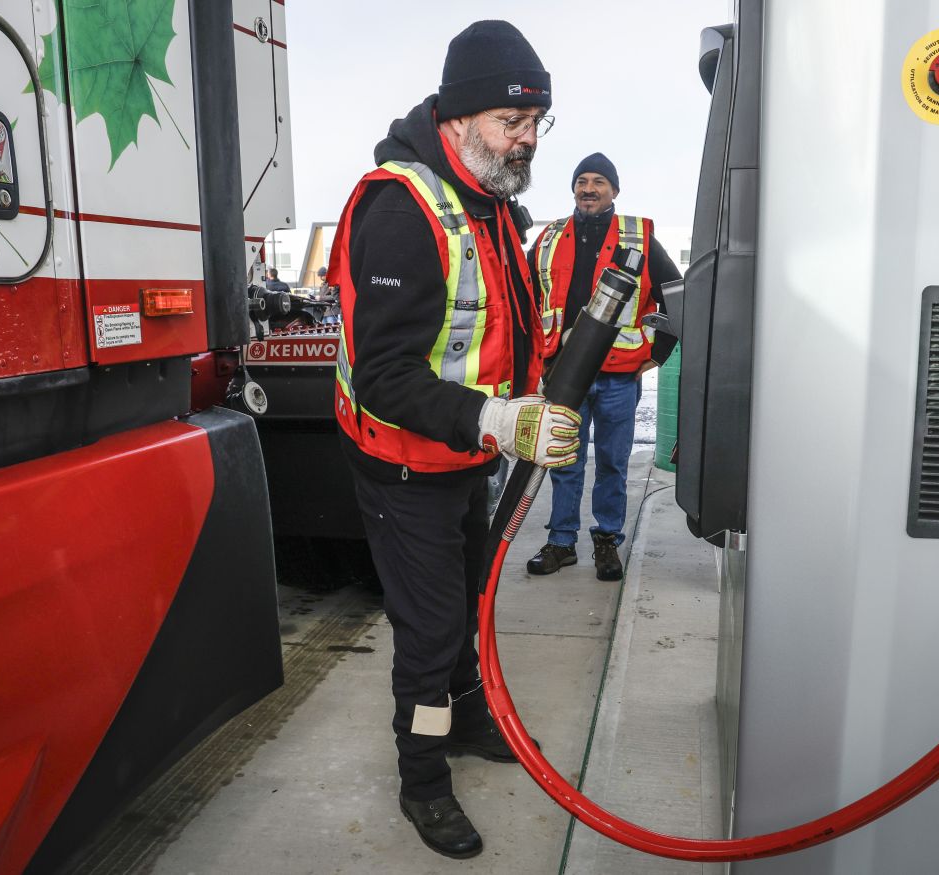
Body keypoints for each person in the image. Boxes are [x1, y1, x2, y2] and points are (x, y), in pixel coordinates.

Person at [329, 20, 576, 860]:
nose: (530, 139)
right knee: (430, 636)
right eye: (515, 123)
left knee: (467, 604)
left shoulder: (491, 202)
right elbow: (385, 376)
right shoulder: (402, 209)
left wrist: (529, 398)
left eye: (539, 123)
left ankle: (469, 721)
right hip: (404, 468)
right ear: (462, 118)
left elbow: (501, 331)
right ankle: (423, 776)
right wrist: (500, 420)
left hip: (463, 456)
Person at [526, 153, 681, 581]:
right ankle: (561, 542)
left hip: (618, 376)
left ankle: (607, 542)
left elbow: (677, 295)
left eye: (598, 181)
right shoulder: (550, 236)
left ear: (614, 190)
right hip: (563, 373)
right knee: (563, 462)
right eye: (581, 181)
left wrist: (659, 353)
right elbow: (521, 296)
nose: (588, 188)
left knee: (613, 463)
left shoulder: (639, 237)